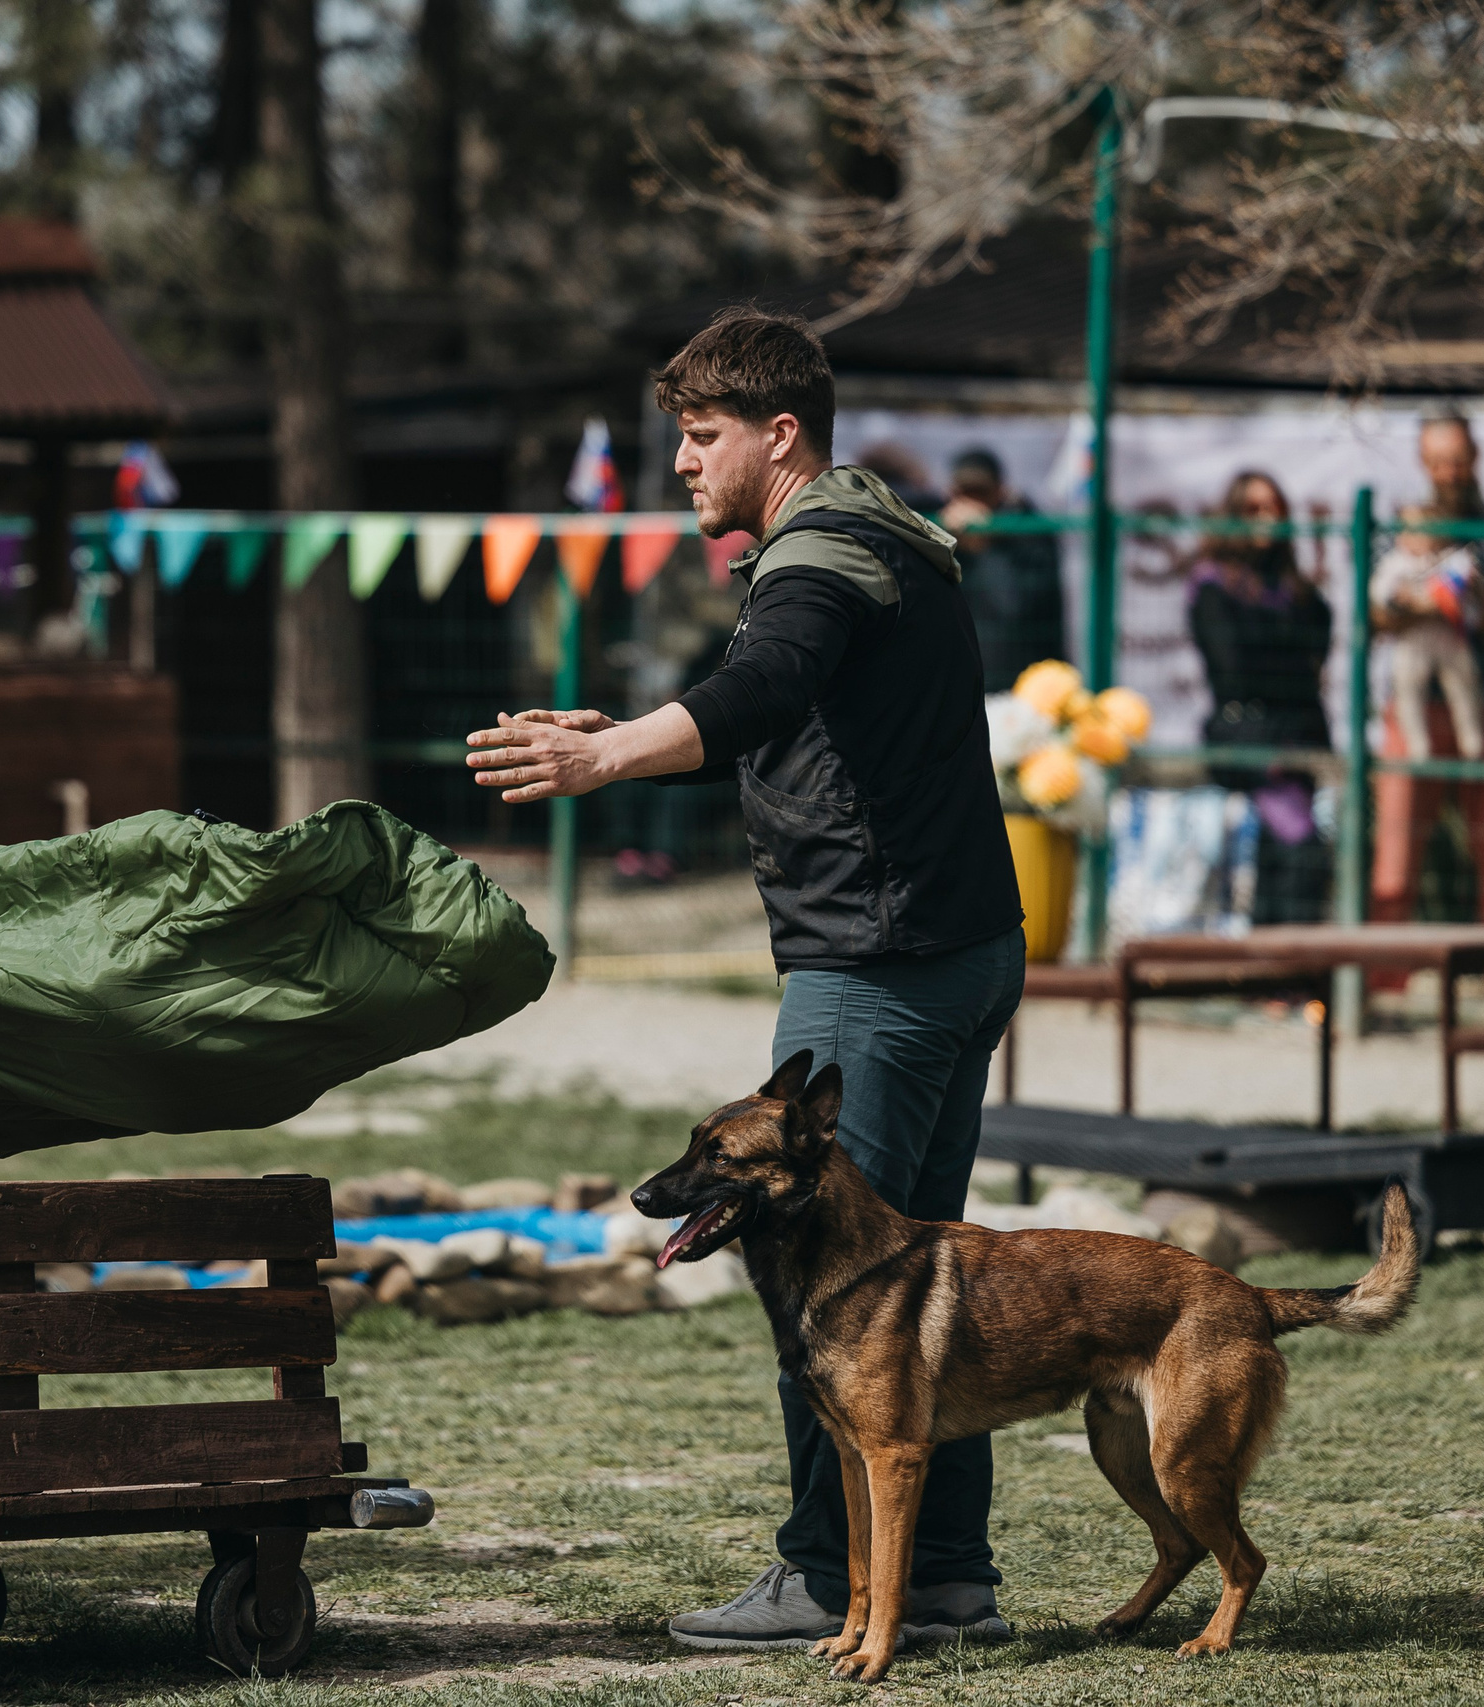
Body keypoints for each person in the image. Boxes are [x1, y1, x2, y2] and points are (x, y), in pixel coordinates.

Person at [463, 306, 1024, 1650]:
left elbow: (766, 683)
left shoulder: (819, 552)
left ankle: (826, 1577)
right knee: (925, 1281)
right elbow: (796, 712)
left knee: (832, 1280)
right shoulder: (887, 535)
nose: (679, 464)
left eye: (700, 436)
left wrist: (600, 764)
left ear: (781, 435)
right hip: (961, 951)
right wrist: (628, 731)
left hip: (874, 969)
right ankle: (943, 1573)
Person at [1369, 416, 1484, 993]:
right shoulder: (1400, 531)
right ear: (1424, 464)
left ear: (1477, 456)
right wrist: (1425, 607)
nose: (1450, 471)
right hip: (1415, 706)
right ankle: (1383, 985)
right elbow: (1375, 614)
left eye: (1459, 458)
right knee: (1396, 853)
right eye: (1438, 460)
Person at [1188, 471, 1333, 924]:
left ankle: (1293, 973)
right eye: (1253, 509)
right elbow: (1233, 671)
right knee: (1299, 846)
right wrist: (1287, 660)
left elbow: (1317, 648)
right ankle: (1278, 968)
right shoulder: (1213, 586)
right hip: (1247, 740)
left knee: (1303, 847)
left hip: (1302, 740)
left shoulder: (1299, 592)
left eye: (1275, 509)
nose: (1266, 520)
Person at [942, 447, 1066, 693]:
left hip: (1022, 687)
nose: (971, 503)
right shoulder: (938, 531)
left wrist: (986, 546)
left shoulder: (1032, 533)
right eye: (964, 492)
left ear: (1001, 491)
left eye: (981, 492)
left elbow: (1014, 607)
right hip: (961, 687)